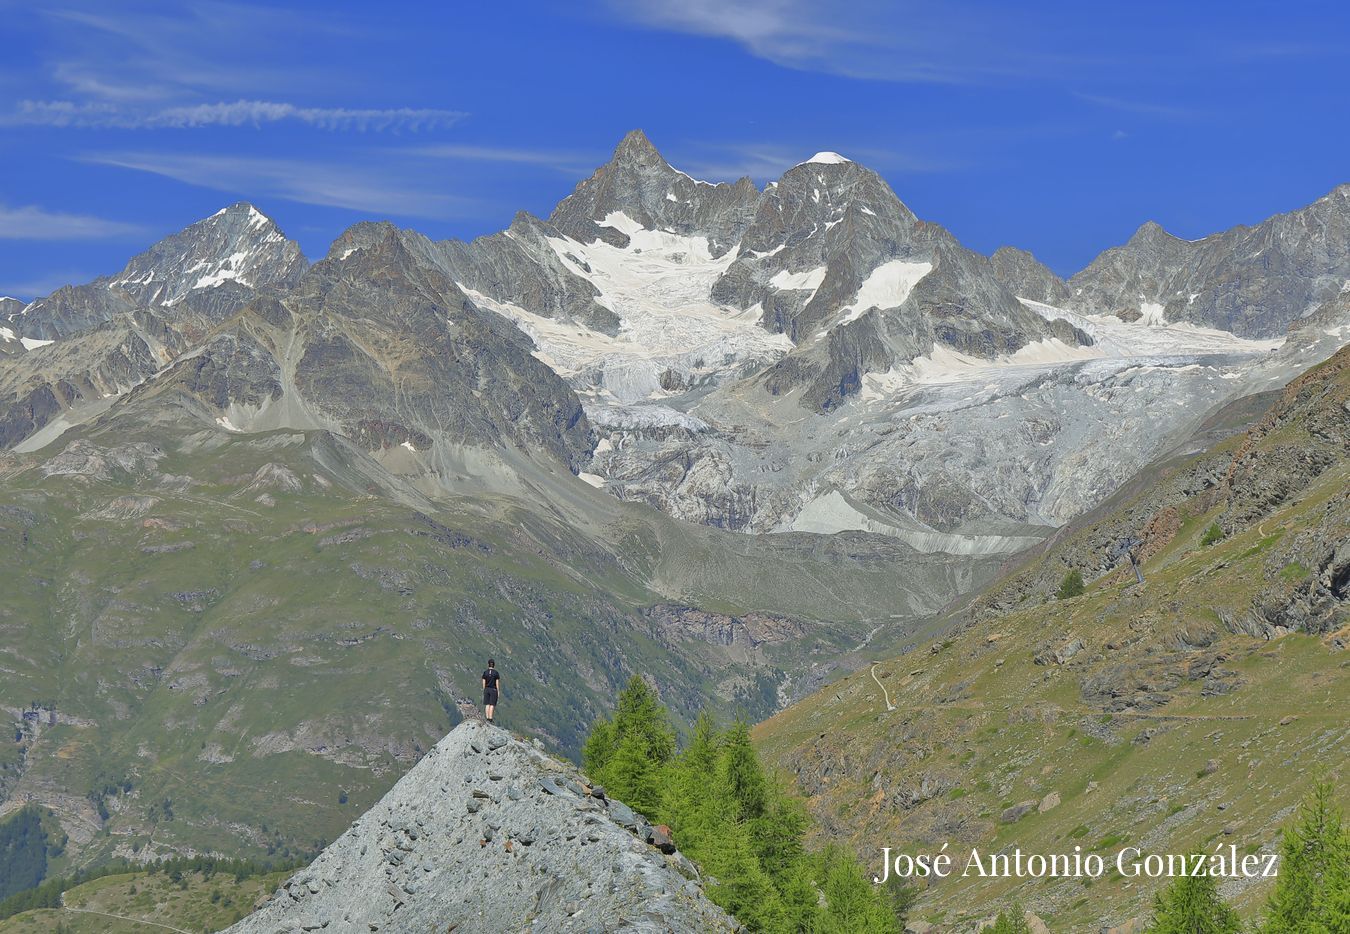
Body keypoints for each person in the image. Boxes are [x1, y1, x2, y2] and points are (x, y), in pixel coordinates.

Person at [481, 659, 502, 723]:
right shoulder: (496, 673)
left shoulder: (485, 672)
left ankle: (487, 717)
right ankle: (490, 718)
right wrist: (498, 691)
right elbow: (497, 683)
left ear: (488, 664)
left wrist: (484, 689)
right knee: (492, 704)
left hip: (487, 689)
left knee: (487, 704)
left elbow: (483, 682)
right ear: (494, 665)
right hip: (493, 689)